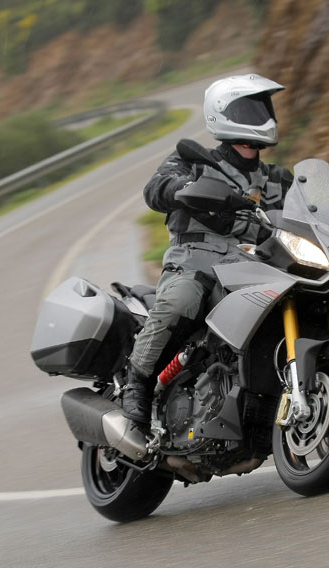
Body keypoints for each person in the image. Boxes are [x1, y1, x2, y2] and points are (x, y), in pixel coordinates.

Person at [123, 73, 295, 429]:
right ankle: (136, 383)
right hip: (195, 263)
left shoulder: (278, 179)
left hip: (254, 267)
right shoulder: (194, 162)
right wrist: (182, 188)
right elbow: (155, 189)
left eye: (264, 108)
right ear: (223, 112)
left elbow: (311, 210)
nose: (262, 116)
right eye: (250, 109)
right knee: (183, 299)